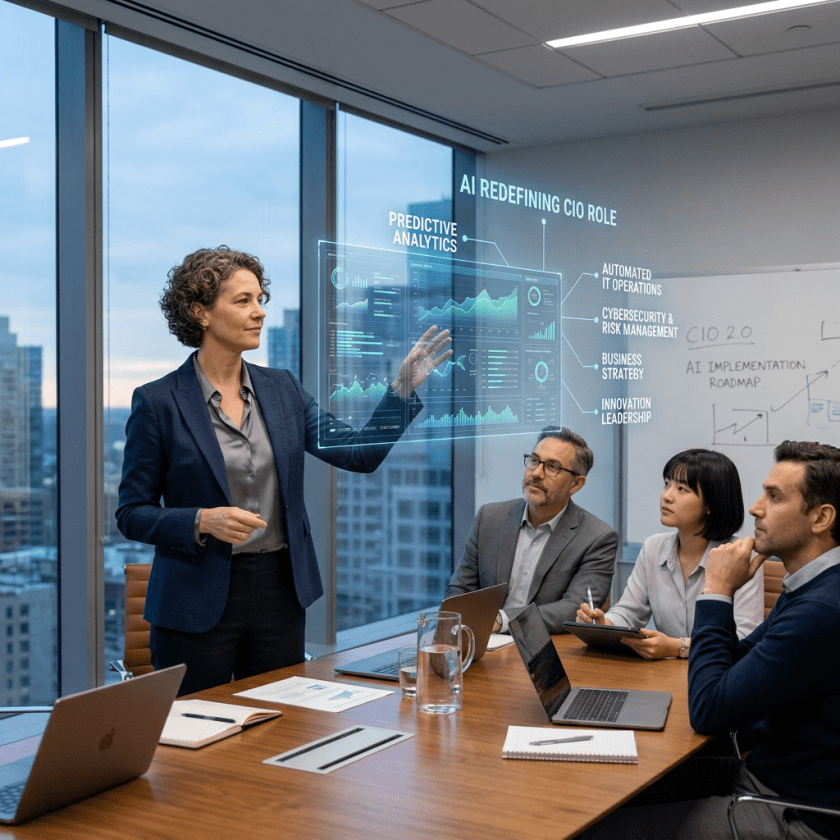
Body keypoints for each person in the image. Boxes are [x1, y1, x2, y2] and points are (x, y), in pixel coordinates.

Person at [116, 246, 452, 695]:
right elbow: (131, 512)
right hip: (196, 597)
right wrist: (201, 520)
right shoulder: (158, 401)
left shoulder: (282, 389)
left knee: (280, 724)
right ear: (200, 312)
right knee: (194, 732)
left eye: (260, 300)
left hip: (279, 591)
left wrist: (399, 390)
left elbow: (358, 454)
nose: (259, 313)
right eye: (243, 301)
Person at [581, 440, 840, 840]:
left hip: (795, 810)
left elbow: (708, 711)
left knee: (596, 830)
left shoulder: (822, 609)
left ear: (821, 518)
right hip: (768, 777)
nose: (756, 508)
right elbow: (740, 663)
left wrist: (717, 591)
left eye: (774, 497)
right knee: (601, 793)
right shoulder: (810, 587)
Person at [575, 449, 764, 659]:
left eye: (682, 489)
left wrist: (677, 647)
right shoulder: (653, 548)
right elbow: (629, 612)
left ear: (711, 504)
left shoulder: (739, 556)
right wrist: (604, 623)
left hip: (722, 673)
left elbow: (746, 638)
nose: (666, 496)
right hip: (667, 674)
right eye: (667, 484)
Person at [445, 426, 618, 634]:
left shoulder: (598, 537)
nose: (536, 473)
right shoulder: (489, 518)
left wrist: (502, 619)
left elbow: (575, 607)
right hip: (483, 646)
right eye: (534, 460)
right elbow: (460, 591)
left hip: (545, 649)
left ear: (576, 484)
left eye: (552, 467)